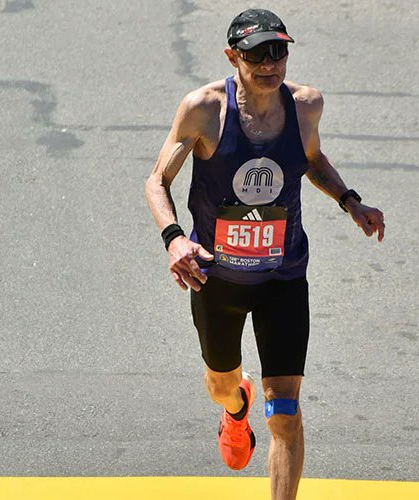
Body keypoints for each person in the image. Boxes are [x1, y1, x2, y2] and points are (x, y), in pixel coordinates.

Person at [145, 8, 385, 499]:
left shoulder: (305, 106)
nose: (270, 63)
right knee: (221, 384)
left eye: (279, 50)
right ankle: (236, 411)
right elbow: (157, 180)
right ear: (233, 56)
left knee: (286, 411)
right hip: (218, 280)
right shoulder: (204, 109)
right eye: (257, 54)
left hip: (283, 277)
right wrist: (174, 238)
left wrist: (350, 202)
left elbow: (313, 159)